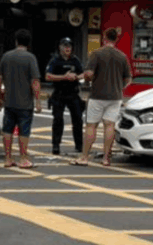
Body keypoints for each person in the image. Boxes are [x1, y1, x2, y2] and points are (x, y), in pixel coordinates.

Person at [73, 26, 132, 167]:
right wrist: (120, 87)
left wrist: (84, 79)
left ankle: (84, 157)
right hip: (115, 96)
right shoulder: (122, 56)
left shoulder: (96, 54)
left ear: (104, 38)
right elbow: (128, 79)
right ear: (116, 39)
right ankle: (106, 158)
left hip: (97, 95)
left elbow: (89, 74)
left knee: (91, 126)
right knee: (110, 126)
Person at [0, 28, 42, 169]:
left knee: (7, 130)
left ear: (16, 41)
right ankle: (23, 158)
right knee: (24, 131)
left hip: (9, 102)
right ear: (28, 43)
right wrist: (38, 101)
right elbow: (35, 81)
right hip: (25, 103)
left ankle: (8, 158)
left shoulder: (6, 56)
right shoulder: (30, 58)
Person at [45, 37, 84, 155]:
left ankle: (79, 145)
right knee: (58, 120)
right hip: (59, 93)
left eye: (69, 46)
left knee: (78, 120)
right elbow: (48, 76)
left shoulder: (75, 60)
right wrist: (64, 77)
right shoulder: (55, 60)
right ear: (60, 48)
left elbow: (83, 74)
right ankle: (56, 145)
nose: (67, 48)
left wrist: (76, 77)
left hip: (73, 93)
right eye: (65, 46)